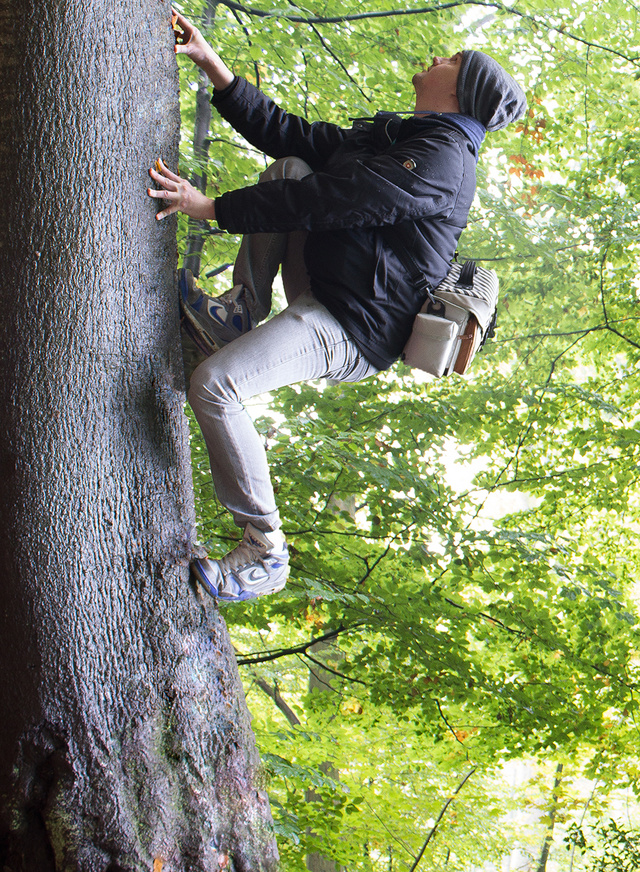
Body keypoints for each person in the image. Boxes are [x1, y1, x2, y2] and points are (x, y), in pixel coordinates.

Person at [148, 11, 526, 602]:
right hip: (328, 284)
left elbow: (338, 202)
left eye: (448, 60)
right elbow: (292, 138)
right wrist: (210, 63)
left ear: (459, 92)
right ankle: (239, 312)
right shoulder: (401, 138)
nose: (434, 60)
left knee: (214, 386)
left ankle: (265, 549)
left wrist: (211, 208)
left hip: (352, 326)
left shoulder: (444, 160)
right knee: (293, 167)